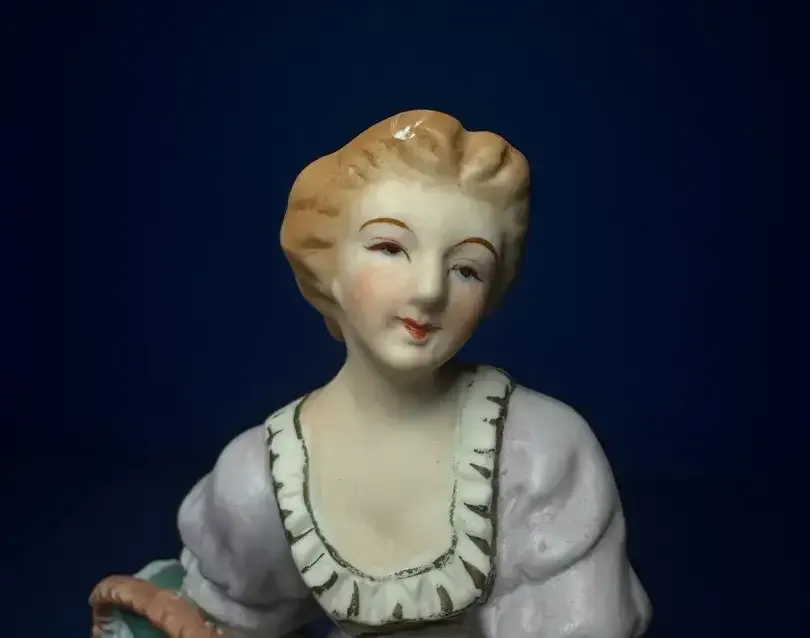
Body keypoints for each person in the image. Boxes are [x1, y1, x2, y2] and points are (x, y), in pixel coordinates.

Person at [91, 110, 652, 638]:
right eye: (390, 247)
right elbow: (227, 621)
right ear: (327, 266)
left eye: (467, 268)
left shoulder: (539, 452)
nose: (429, 290)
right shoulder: (258, 480)